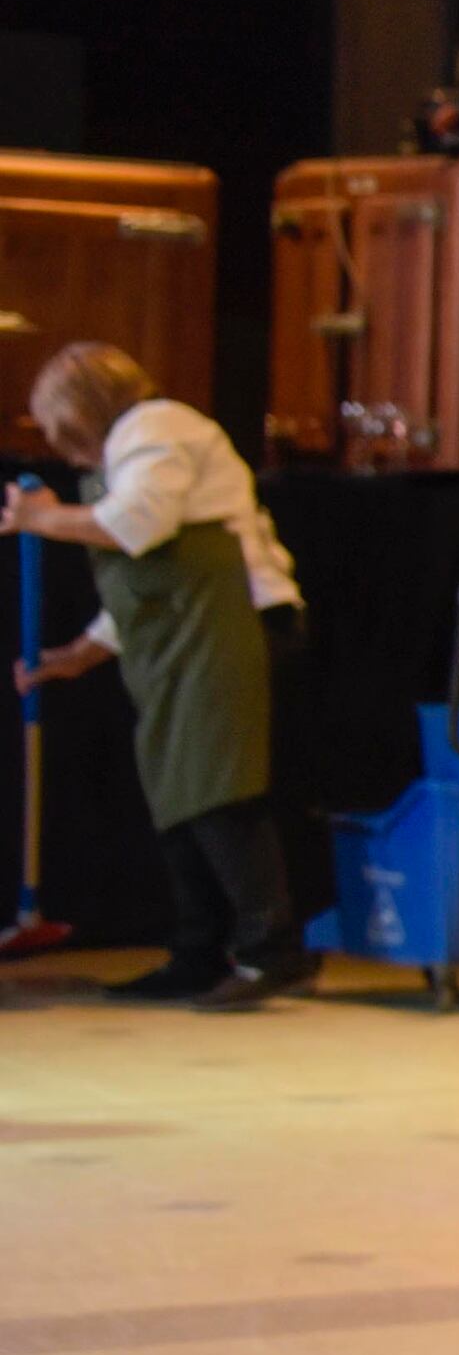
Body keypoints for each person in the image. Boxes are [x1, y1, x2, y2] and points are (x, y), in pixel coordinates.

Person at [10, 342, 311, 1005]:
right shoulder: (131, 449)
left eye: (62, 431)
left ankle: (271, 950)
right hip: (189, 629)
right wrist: (79, 654)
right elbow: (148, 587)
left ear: (81, 414)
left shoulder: (158, 427)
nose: (62, 449)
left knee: (218, 792)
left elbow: (139, 526)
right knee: (179, 796)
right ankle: (198, 952)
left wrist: (44, 519)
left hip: (239, 624)